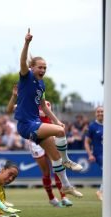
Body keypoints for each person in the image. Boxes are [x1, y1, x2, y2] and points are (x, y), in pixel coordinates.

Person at [13, 29, 83, 198]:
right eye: (40, 67)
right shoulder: (26, 76)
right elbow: (22, 60)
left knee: (55, 156)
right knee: (60, 132)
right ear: (32, 67)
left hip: (35, 124)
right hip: (26, 124)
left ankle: (66, 186)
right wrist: (27, 43)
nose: (43, 69)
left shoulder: (42, 85)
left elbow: (44, 107)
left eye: (45, 67)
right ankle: (68, 160)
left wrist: (57, 120)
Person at [7, 84, 73, 207]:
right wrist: (13, 96)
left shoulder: (46, 104)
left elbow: (49, 119)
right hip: (34, 140)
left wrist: (58, 124)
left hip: (48, 138)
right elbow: (9, 110)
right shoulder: (24, 104)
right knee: (46, 171)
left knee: (56, 167)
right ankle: (52, 198)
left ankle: (64, 197)